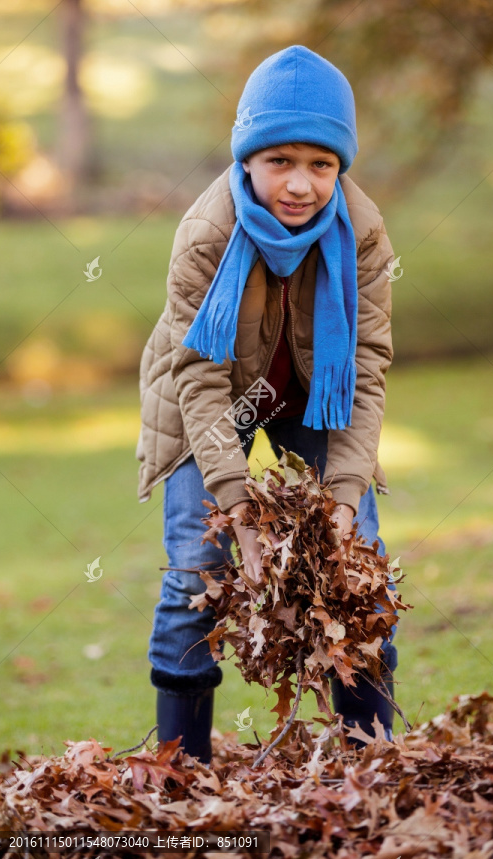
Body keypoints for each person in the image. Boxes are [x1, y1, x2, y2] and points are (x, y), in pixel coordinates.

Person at [136, 45, 397, 765]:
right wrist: (241, 517)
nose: (301, 185)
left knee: (359, 562)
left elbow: (367, 366)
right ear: (247, 158)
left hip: (318, 399)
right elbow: (199, 379)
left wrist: (343, 501)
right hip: (210, 396)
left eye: (322, 164)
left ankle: (370, 762)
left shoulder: (362, 232)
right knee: (196, 568)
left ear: (341, 168)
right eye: (280, 159)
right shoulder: (207, 233)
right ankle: (181, 774)